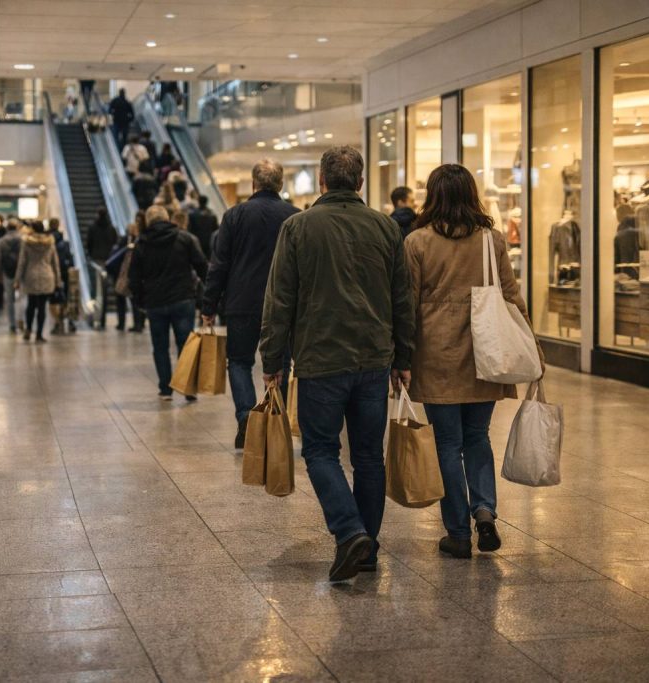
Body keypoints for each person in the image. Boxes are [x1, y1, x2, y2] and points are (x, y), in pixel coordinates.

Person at [260, 146, 415, 582]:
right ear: (361, 183)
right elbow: (403, 299)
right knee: (368, 455)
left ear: (322, 182)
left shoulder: (298, 228)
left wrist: (273, 360)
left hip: (320, 359)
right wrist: (404, 357)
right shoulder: (386, 228)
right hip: (373, 359)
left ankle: (349, 532)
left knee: (320, 450)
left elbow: (279, 301)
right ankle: (366, 548)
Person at [405, 164, 544, 559]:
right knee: (477, 437)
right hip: (486, 352)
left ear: (432, 196)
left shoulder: (417, 242)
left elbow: (407, 304)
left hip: (436, 354)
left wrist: (400, 356)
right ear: (471, 195)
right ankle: (484, 510)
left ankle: (458, 533)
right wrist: (532, 344)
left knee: (447, 443)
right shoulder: (491, 240)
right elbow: (512, 296)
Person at [201, 161, 299, 449]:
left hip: (241, 301)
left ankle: (245, 415)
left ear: (254, 183)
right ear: (280, 184)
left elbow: (219, 265)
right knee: (281, 363)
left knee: (240, 362)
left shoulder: (234, 216)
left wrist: (208, 305)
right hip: (282, 304)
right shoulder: (294, 216)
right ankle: (273, 422)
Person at [129, 205, 208, 400]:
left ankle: (165, 388)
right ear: (168, 218)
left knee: (160, 346)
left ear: (148, 221)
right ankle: (188, 388)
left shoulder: (141, 243)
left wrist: (140, 301)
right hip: (183, 299)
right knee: (185, 344)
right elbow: (202, 266)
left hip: (155, 302)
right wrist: (206, 295)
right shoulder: (185, 238)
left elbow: (134, 277)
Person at [14, 220, 62, 343]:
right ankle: (39, 334)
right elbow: (55, 263)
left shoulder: (27, 242)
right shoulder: (50, 242)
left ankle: (28, 329)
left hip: (31, 276)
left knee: (31, 305)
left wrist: (17, 279)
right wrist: (58, 280)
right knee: (42, 307)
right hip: (47, 276)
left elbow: (22, 262)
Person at [0, 218, 25, 333]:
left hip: (7, 272)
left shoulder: (2, 241)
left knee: (10, 299)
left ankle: (12, 323)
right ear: (17, 227)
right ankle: (21, 320)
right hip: (21, 272)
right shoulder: (22, 240)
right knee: (22, 298)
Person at [49, 218, 75, 335]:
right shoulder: (64, 242)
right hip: (64, 272)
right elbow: (70, 258)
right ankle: (68, 319)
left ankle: (57, 321)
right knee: (64, 297)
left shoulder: (47, 240)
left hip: (51, 273)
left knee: (53, 299)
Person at [188, 195, 218, 261]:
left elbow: (190, 228)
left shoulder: (192, 215)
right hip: (209, 242)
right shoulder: (212, 215)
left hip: (197, 241)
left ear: (198, 201)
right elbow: (215, 229)